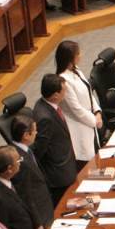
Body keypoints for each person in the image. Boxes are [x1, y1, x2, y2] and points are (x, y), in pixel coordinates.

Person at [29, 74, 76, 205]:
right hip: (58, 173)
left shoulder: (44, 103)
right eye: (64, 90)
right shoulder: (45, 118)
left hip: (66, 164)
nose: (66, 92)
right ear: (55, 95)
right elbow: (40, 149)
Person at [54, 40, 101, 167]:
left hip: (90, 121)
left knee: (97, 159)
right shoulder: (64, 80)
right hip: (80, 127)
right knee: (88, 165)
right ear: (70, 59)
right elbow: (76, 109)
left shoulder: (76, 70)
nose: (80, 55)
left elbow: (89, 92)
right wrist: (94, 120)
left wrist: (97, 112)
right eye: (78, 53)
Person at [7, 114, 53, 229]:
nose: (37, 133)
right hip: (39, 213)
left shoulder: (25, 149)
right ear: (26, 135)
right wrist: (37, 222)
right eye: (34, 131)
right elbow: (24, 194)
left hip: (45, 204)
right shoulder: (17, 160)